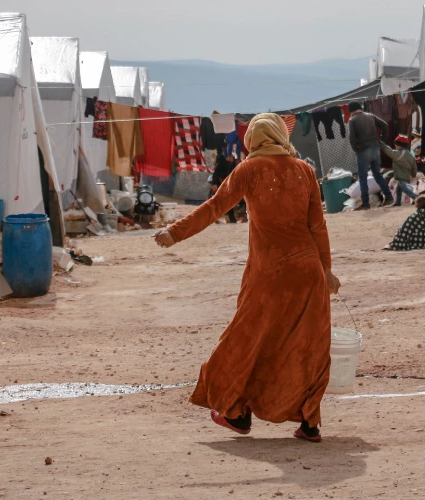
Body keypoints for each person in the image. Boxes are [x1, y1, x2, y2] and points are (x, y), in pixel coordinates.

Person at [153, 113, 341, 443]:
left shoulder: (248, 170)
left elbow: (214, 207)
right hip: (308, 273)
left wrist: (174, 232)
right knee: (307, 347)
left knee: (244, 341)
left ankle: (237, 413)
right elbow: (318, 227)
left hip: (269, 276)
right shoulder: (305, 170)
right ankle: (309, 422)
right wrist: (326, 271)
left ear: (253, 139)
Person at [346, 101, 393, 210]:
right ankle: (389, 197)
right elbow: (385, 126)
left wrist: (356, 150)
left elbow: (352, 138)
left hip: (363, 150)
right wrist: (382, 140)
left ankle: (366, 204)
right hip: (375, 148)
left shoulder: (352, 120)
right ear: (360, 108)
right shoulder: (370, 116)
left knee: (362, 178)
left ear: (351, 111)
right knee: (377, 174)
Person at [379, 135, 419, 207]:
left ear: (399, 145)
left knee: (404, 188)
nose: (395, 146)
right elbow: (414, 166)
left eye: (396, 144)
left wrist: (382, 144)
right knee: (399, 188)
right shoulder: (410, 155)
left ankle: (416, 198)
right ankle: (398, 202)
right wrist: (413, 174)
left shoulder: (399, 154)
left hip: (401, 174)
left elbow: (389, 152)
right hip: (406, 174)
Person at [210, 152, 245, 223]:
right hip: (221, 186)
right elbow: (216, 173)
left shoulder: (234, 163)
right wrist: (214, 183)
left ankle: (234, 218)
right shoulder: (221, 163)